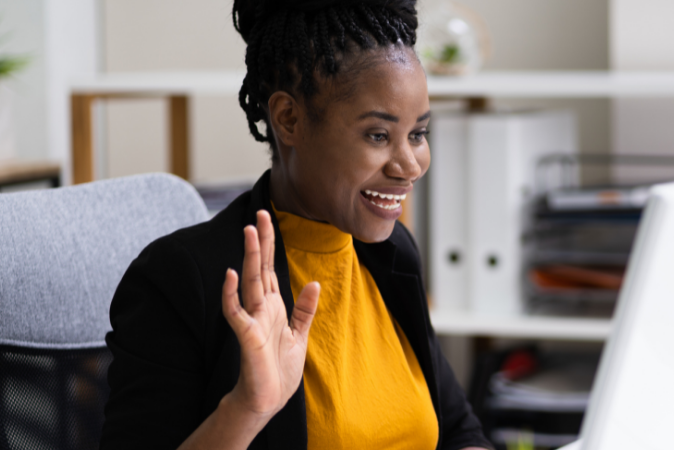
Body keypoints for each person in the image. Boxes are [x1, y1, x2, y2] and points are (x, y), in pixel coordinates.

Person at [99, 0, 492, 449]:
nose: (410, 166)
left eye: (418, 135)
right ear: (289, 119)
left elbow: (460, 429)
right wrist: (248, 409)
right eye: (378, 135)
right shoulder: (183, 279)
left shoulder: (392, 253)